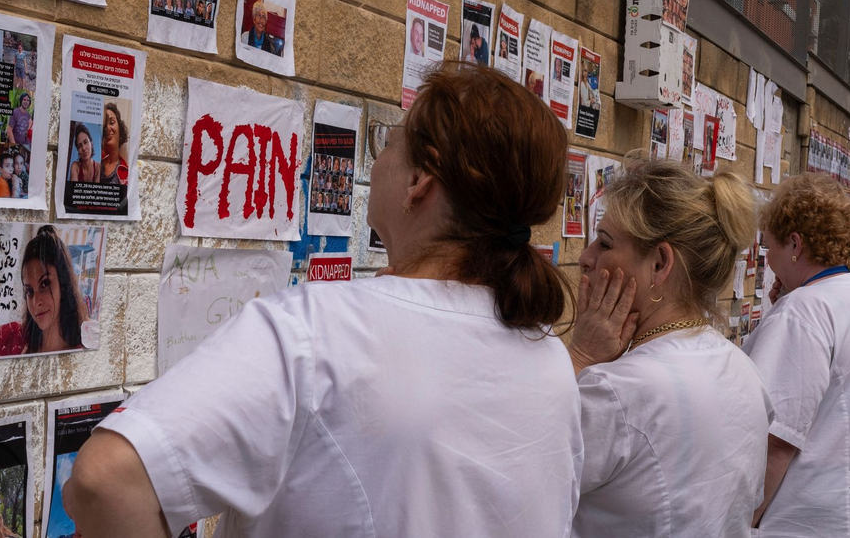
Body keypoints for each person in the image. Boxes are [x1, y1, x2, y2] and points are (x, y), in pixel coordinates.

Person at [63, 63, 585, 538]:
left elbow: (104, 480)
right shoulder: (550, 365)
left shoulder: (315, 332)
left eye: (390, 139)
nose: (378, 157)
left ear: (420, 179)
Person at [566, 156, 772, 537]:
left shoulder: (616, 392)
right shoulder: (745, 371)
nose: (586, 258)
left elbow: (516, 482)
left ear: (660, 264)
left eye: (605, 243)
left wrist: (580, 357)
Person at [744, 173, 850, 536]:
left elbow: (775, 442)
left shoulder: (804, 312)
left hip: (810, 518)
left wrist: (743, 520)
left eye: (770, 247)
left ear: (796, 244)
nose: (768, 260)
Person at [0, 225, 91, 357]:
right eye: (29, 291)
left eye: (45, 284)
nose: (36, 302)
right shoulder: (8, 340)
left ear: (63, 284)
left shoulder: (84, 352)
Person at [100, 102, 129, 185]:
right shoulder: (94, 163)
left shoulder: (127, 171)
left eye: (112, 122)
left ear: (120, 130)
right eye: (104, 126)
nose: (108, 128)